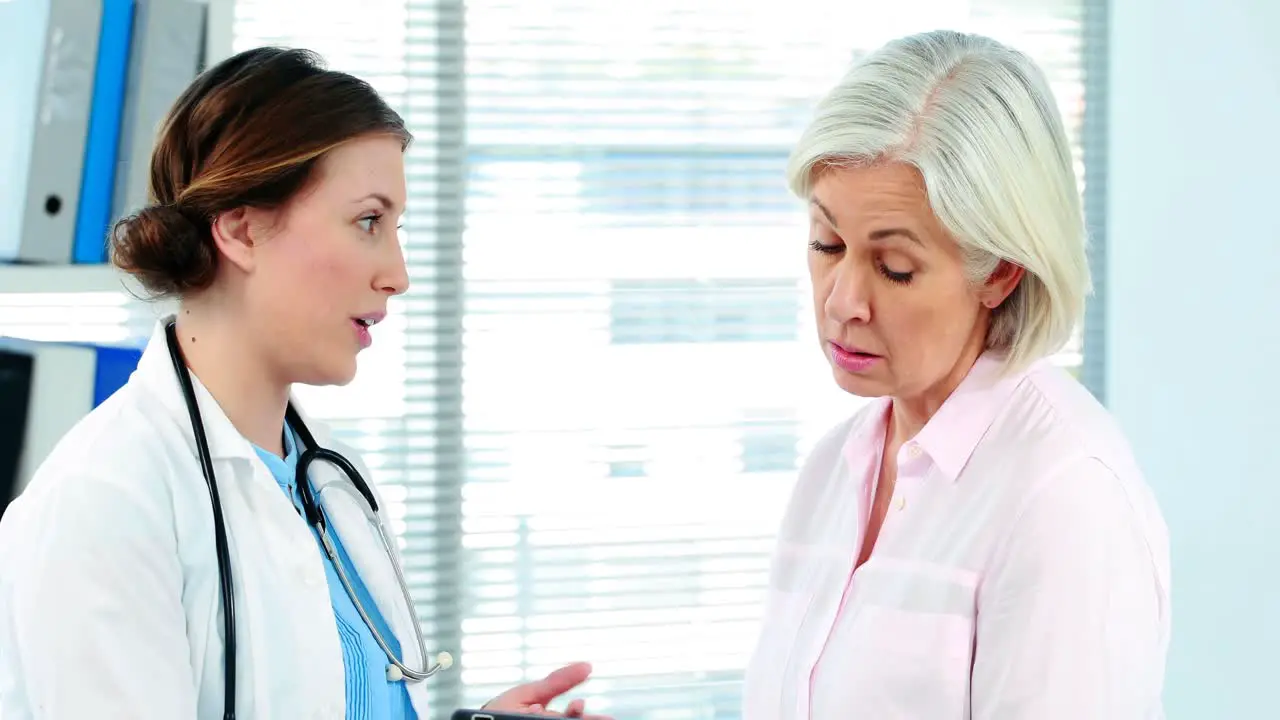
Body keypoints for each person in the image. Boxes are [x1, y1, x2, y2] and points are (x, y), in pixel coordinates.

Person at [0, 47, 607, 720]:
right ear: (242, 229)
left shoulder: (330, 483)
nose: (398, 274)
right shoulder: (105, 501)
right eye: (369, 222)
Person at [741, 30, 1170, 719]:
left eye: (895, 268)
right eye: (827, 244)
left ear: (999, 270)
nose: (842, 301)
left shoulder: (1064, 499)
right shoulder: (834, 468)